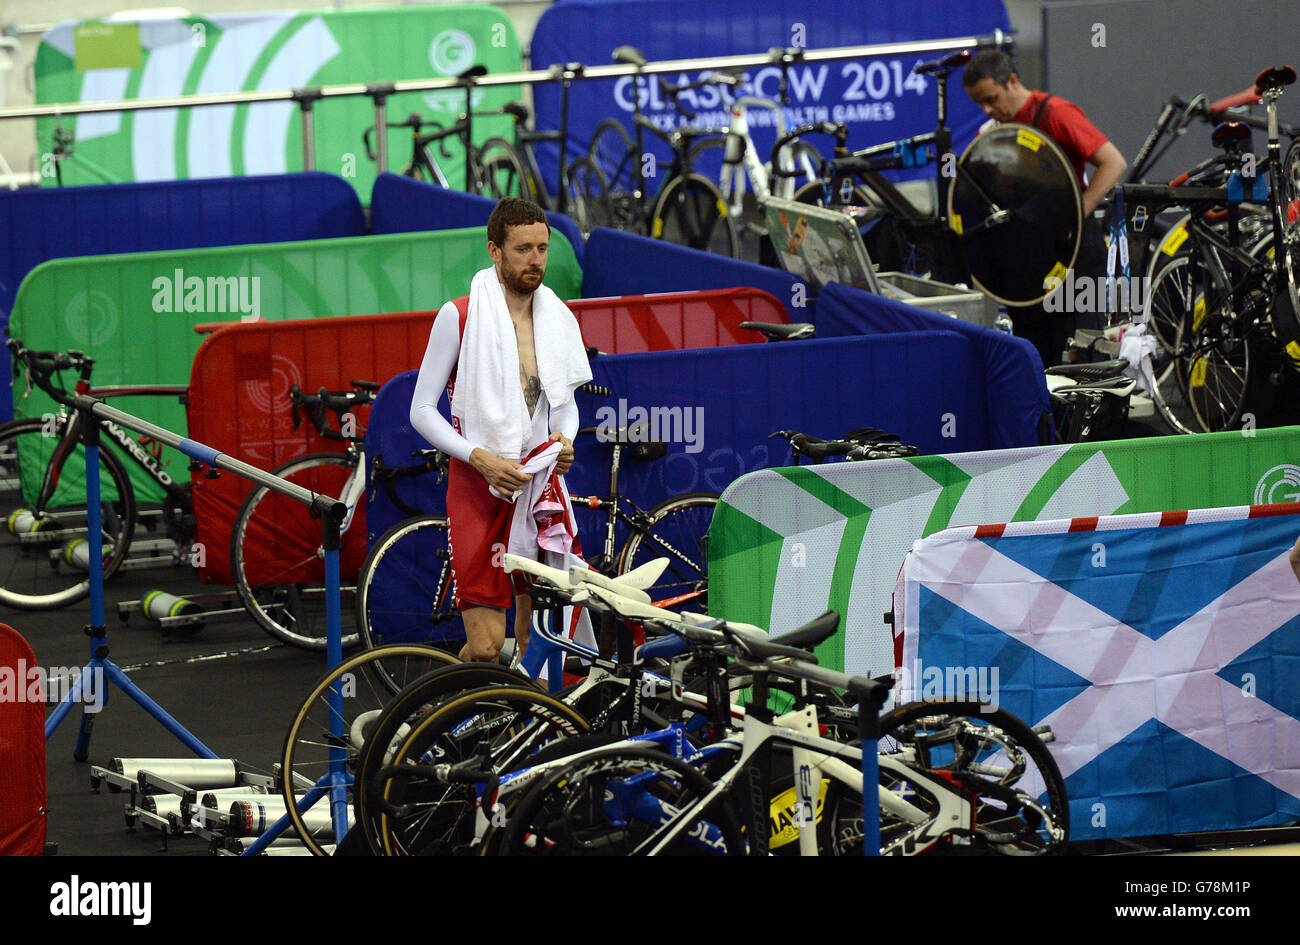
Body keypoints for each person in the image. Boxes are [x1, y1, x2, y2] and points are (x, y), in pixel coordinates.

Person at [410, 197, 591, 663]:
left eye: (542, 248)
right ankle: (456, 724)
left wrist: (564, 438)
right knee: (488, 647)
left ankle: (521, 732)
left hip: (536, 486)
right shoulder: (460, 316)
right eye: (522, 249)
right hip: (478, 486)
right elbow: (422, 410)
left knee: (540, 643)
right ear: (494, 251)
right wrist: (479, 458)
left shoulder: (557, 317)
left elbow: (563, 403)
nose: (536, 260)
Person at [962, 50, 1128, 366]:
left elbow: (1113, 162)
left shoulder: (1057, 113)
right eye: (979, 104)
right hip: (1029, 263)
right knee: (1036, 358)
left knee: (1082, 356)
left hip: (1076, 252)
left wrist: (1078, 212)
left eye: (992, 99)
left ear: (1012, 81)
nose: (988, 110)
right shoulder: (991, 132)